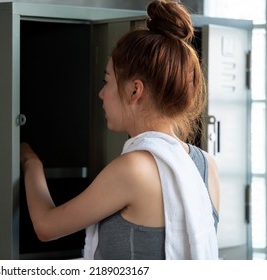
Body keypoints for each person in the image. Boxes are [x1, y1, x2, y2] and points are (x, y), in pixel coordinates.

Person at [20, 0, 220, 260]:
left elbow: (46, 226)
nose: (102, 94)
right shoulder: (207, 165)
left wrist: (30, 162)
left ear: (135, 90)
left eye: (107, 81)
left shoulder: (132, 169)